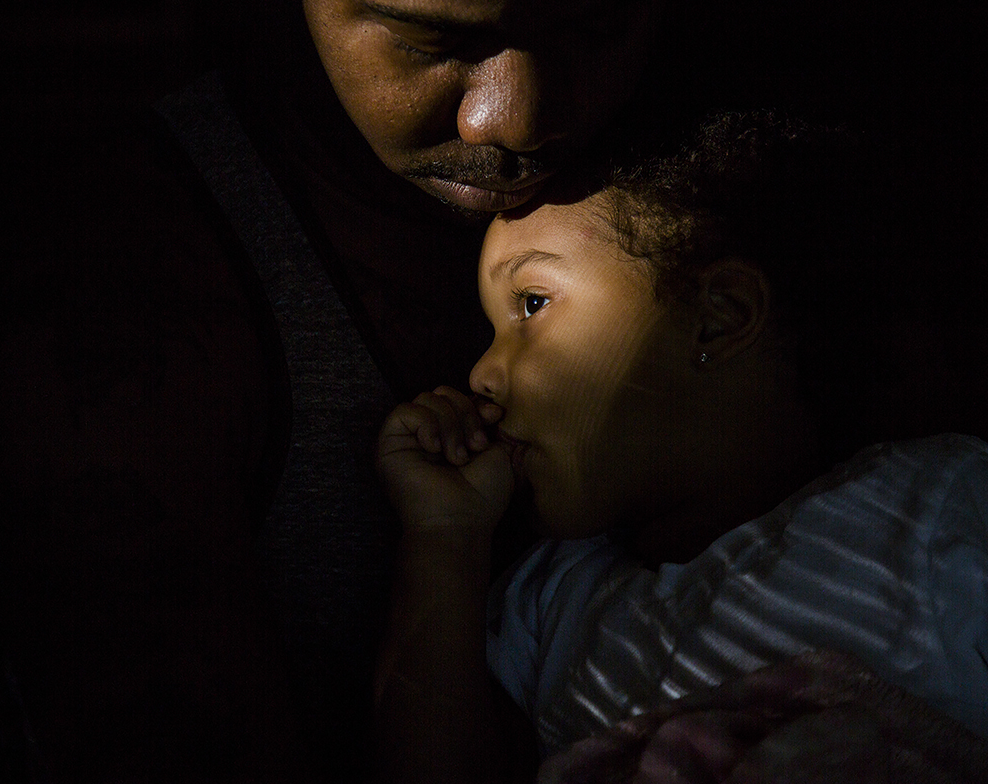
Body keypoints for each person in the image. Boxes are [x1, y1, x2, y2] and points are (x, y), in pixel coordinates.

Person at [0, 0, 705, 782]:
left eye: (594, 23)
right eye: (429, 39)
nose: (513, 121)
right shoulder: (126, 302)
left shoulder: (715, 156)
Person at [374, 111, 988, 783]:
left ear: (718, 316)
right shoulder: (551, 598)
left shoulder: (932, 506)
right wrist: (443, 536)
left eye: (531, 304)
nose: (482, 374)